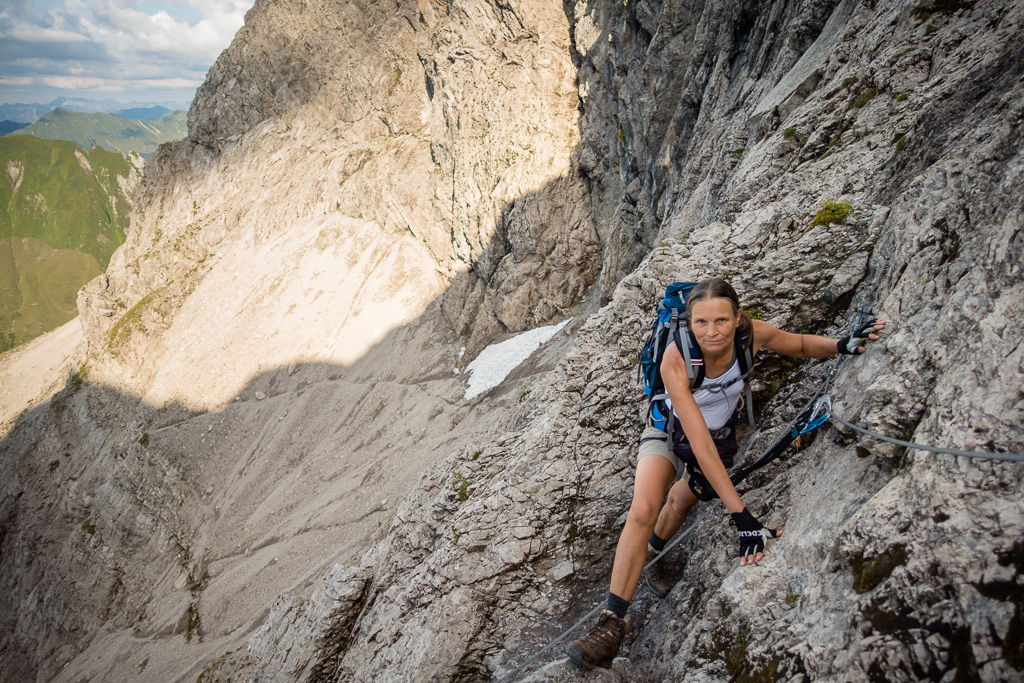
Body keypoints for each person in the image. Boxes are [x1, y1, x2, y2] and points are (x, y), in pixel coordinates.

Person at [566, 277, 886, 669]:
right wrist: (743, 517)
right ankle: (610, 624)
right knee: (643, 507)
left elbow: (799, 344)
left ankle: (655, 549)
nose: (711, 332)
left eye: (720, 321)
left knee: (683, 498)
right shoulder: (676, 357)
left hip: (715, 434)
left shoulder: (750, 336)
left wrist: (841, 345)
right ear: (689, 323)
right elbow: (697, 443)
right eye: (701, 323)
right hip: (669, 429)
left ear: (737, 318)